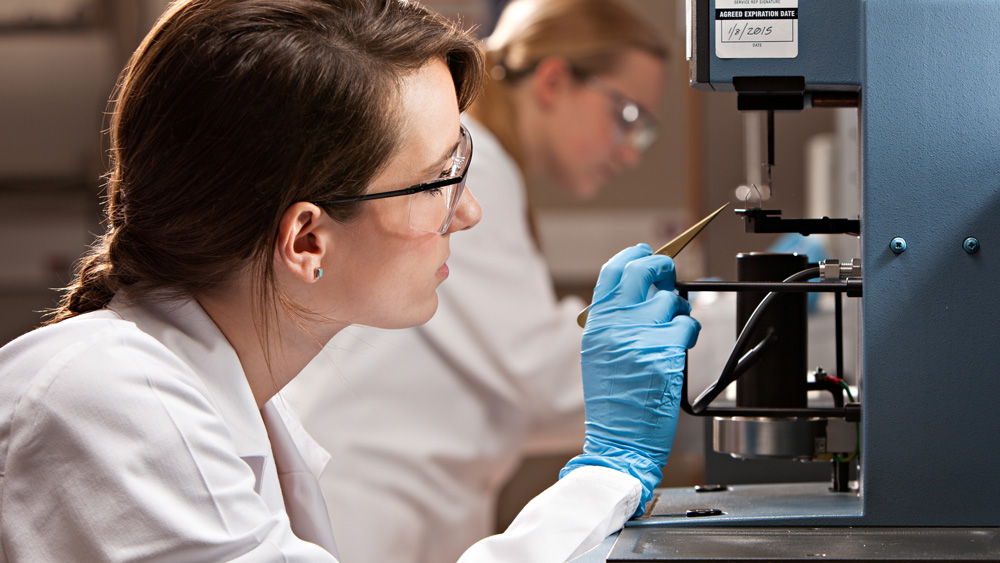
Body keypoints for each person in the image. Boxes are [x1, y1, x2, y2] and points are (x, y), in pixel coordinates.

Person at [0, 0, 698, 561]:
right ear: (307, 240)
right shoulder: (118, 409)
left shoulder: (225, 404)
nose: (471, 209)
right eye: (439, 182)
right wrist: (606, 473)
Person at [281, 0, 670, 561]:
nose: (631, 151)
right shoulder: (472, 163)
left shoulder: (487, 168)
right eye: (628, 117)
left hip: (417, 491)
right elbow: (536, 368)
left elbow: (513, 390)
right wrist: (725, 332)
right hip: (371, 491)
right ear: (554, 80)